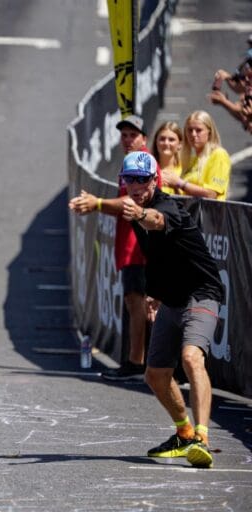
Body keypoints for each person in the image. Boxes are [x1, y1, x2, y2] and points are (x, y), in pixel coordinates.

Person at [115, 151, 223, 469]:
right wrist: (154, 294)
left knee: (191, 357)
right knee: (155, 375)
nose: (135, 186)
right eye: (129, 179)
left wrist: (134, 214)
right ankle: (184, 434)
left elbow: (157, 222)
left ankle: (202, 438)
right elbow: (159, 257)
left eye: (142, 179)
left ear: (154, 180)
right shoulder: (135, 211)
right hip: (171, 298)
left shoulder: (167, 207)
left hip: (201, 294)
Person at [74, 114, 160, 382]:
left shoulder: (145, 163)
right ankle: (142, 361)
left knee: (139, 304)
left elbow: (130, 204)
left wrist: (97, 203)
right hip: (129, 244)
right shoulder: (130, 163)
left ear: (144, 138)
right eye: (123, 135)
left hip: (139, 246)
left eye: (132, 135)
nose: (127, 140)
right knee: (135, 303)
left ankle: (137, 362)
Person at [176, 111, 231, 200]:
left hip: (210, 212)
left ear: (209, 132)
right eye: (190, 130)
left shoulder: (219, 155)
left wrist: (179, 183)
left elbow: (212, 194)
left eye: (198, 130)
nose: (193, 134)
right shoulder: (192, 160)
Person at [151, 121, 183, 195]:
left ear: (180, 144)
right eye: (162, 139)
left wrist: (175, 186)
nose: (166, 143)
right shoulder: (147, 169)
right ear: (156, 142)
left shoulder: (186, 170)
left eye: (171, 140)